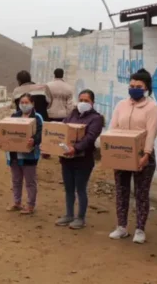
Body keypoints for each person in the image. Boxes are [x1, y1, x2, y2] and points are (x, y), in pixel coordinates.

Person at [107, 69, 157, 243]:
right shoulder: (121, 105)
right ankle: (121, 227)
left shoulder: (152, 107)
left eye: (138, 86)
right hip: (121, 153)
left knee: (141, 193)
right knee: (121, 191)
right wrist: (110, 150)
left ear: (146, 88)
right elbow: (113, 127)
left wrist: (146, 154)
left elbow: (151, 133)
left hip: (143, 155)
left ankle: (140, 229)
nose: (134, 88)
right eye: (131, 86)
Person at [56, 89, 104, 229]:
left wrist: (75, 148)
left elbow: (90, 138)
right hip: (67, 158)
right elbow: (62, 130)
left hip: (83, 160)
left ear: (92, 102)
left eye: (86, 101)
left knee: (80, 188)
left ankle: (80, 218)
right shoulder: (72, 114)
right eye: (81, 100)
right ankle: (69, 214)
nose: (82, 103)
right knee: (69, 188)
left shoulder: (96, 119)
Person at [0, 93, 43, 214]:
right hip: (13, 154)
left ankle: (30, 205)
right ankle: (17, 202)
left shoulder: (37, 118)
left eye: (26, 102)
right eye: (21, 102)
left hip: (29, 156)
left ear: (32, 104)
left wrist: (34, 140)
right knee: (16, 180)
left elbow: (40, 134)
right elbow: (6, 131)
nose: (24, 105)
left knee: (30, 181)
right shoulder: (14, 116)